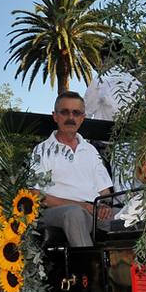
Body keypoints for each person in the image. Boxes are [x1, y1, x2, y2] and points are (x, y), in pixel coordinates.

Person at [33, 91, 115, 247]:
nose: (71, 117)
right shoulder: (42, 150)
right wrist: (81, 206)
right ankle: (90, 269)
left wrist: (104, 206)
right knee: (74, 214)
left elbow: (105, 192)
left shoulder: (90, 150)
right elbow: (37, 196)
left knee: (130, 217)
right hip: (57, 212)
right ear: (55, 116)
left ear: (82, 118)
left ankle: (125, 269)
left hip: (93, 210)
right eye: (65, 112)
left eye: (76, 113)